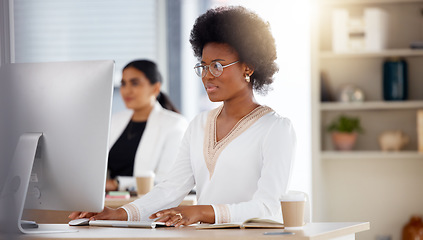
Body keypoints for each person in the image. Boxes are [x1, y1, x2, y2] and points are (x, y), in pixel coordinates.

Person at [70, 6, 296, 227]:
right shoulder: (199, 124)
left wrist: (201, 212)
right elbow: (170, 189)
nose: (207, 76)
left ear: (248, 68)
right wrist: (121, 213)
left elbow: (269, 206)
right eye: (203, 66)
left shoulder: (275, 129)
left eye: (217, 66)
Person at [105, 60, 188, 192]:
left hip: (148, 206)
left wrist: (118, 184)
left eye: (135, 83)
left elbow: (169, 180)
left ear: (155, 88)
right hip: (110, 204)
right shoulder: (115, 121)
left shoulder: (174, 125)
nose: (127, 90)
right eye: (123, 84)